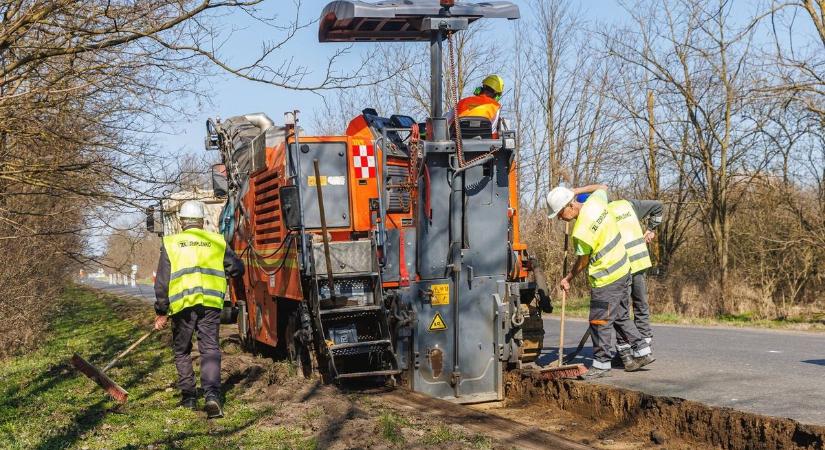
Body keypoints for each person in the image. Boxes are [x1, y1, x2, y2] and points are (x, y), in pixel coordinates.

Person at [547, 185, 654, 379]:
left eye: (560, 213)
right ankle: (641, 350)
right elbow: (602, 186)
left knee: (599, 320)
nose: (559, 218)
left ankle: (601, 364)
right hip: (624, 269)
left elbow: (583, 261)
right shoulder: (596, 201)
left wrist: (568, 277)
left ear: (569, 205)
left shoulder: (580, 232)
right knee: (619, 315)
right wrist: (576, 190)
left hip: (606, 278)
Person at [153, 200, 244, 418]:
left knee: (182, 350)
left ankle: (189, 397)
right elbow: (238, 268)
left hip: (182, 306)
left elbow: (163, 282)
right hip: (211, 304)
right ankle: (212, 396)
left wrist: (161, 311)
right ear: (202, 221)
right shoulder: (216, 241)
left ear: (181, 221)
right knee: (210, 348)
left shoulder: (172, 243)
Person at [573, 185, 663, 358]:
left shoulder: (599, 214)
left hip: (621, 266)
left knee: (620, 311)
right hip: (639, 261)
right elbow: (658, 206)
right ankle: (643, 347)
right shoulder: (627, 205)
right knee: (640, 306)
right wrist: (651, 229)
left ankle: (628, 353)